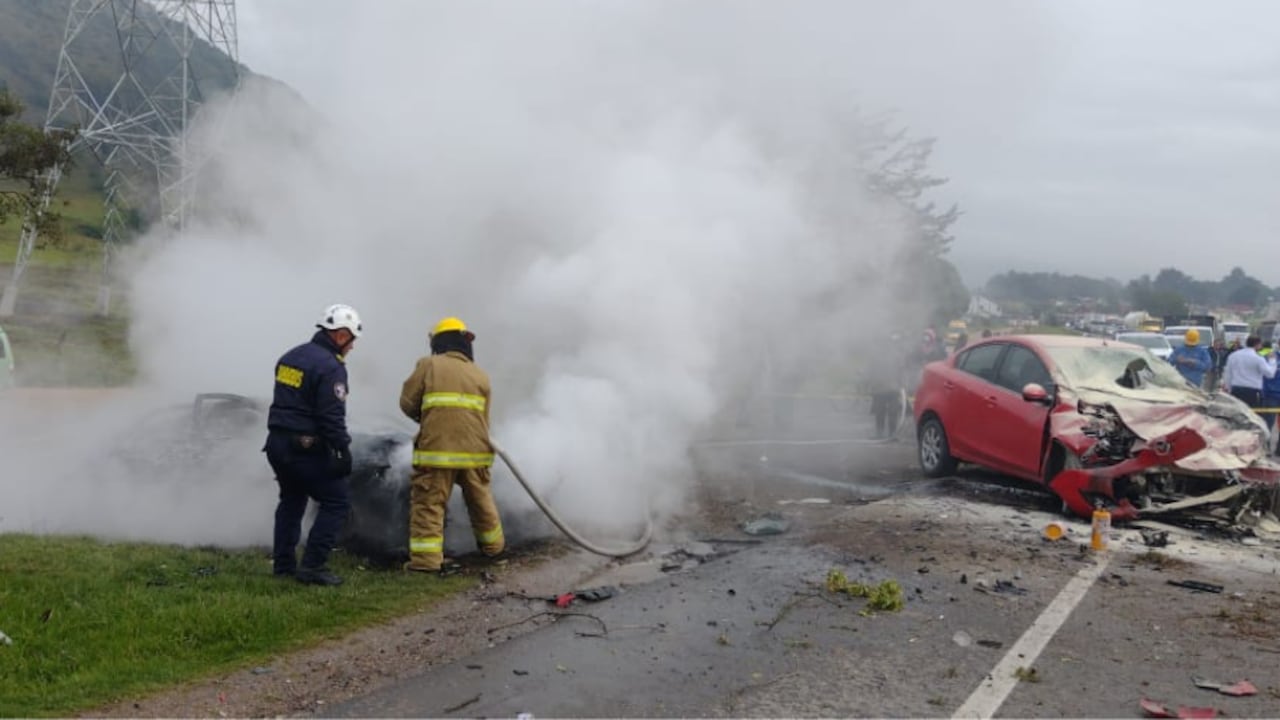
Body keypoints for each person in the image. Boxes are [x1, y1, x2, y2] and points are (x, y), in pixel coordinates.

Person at [263, 304, 362, 586]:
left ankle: (283, 566)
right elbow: (331, 416)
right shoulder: (331, 367)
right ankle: (313, 566)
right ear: (341, 336)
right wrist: (342, 449)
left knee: (291, 501)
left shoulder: (290, 357)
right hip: (303, 447)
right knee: (336, 501)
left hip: (277, 444)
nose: (352, 347)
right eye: (352, 340)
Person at [399, 317, 504, 573]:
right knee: (480, 500)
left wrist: (427, 416)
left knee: (429, 503)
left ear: (438, 342)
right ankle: (494, 548)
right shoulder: (480, 374)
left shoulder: (429, 365)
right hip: (476, 452)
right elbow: (484, 418)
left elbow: (407, 403)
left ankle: (425, 563)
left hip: (438, 452)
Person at [1223, 335, 1277, 413]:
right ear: (1257, 344)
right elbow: (1270, 374)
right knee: (1253, 417)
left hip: (1236, 390)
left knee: (1237, 415)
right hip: (1253, 392)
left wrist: (1228, 388)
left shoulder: (1233, 356)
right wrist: (1272, 361)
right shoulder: (1258, 358)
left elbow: (1228, 374)